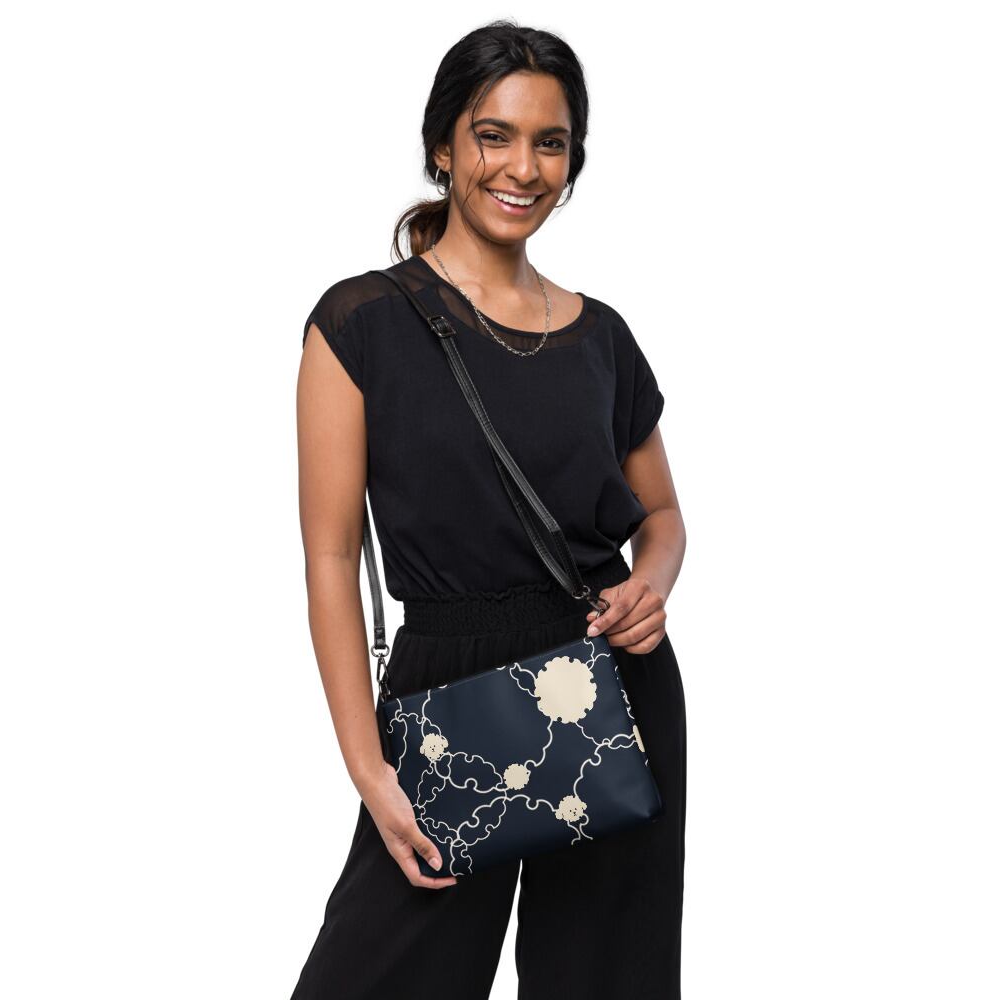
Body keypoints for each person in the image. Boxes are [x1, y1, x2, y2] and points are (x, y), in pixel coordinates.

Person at [291, 19, 687, 1000]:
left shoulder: (602, 336)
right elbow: (331, 556)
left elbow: (662, 516)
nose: (522, 167)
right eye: (493, 135)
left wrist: (650, 584)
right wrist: (368, 768)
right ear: (443, 146)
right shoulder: (360, 322)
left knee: (605, 982)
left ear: (572, 162)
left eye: (550, 142)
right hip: (449, 687)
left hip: (610, 683)